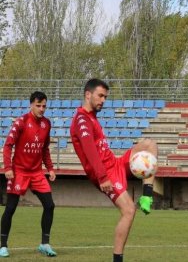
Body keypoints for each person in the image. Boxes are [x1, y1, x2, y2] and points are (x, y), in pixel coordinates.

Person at [70, 78, 157, 262]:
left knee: (150, 145)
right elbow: (90, 150)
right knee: (129, 210)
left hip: (115, 164)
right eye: (100, 96)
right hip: (105, 173)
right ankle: (117, 259)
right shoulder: (81, 120)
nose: (103, 100)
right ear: (88, 94)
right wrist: (102, 177)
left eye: (105, 97)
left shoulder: (92, 118)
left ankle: (147, 196)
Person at [0, 91, 57, 257]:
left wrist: (50, 168)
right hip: (19, 171)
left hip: (37, 172)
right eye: (38, 105)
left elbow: (45, 149)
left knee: (50, 205)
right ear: (31, 104)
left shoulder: (47, 124)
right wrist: (8, 168)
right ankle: (3, 245)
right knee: (10, 208)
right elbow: (7, 145)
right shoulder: (21, 122)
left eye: (44, 106)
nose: (42, 109)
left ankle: (44, 244)